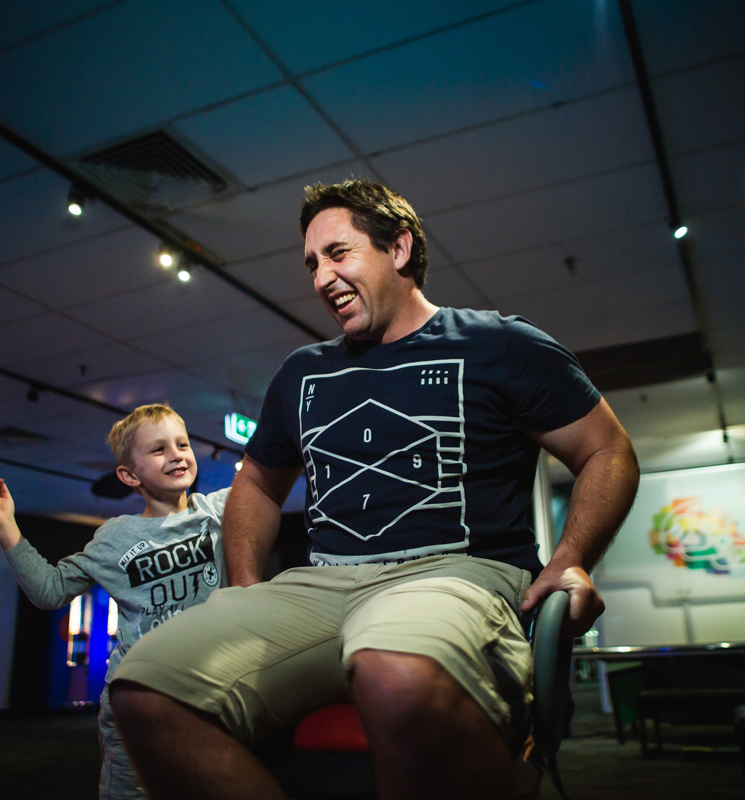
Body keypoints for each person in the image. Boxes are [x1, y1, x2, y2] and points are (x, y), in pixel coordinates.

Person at [110, 179, 639, 800]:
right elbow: (255, 481)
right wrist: (249, 588)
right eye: (311, 264)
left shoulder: (498, 342)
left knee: (395, 668)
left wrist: (570, 559)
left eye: (338, 253)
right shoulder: (303, 371)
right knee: (145, 688)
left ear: (400, 249)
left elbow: (608, 451)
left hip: (454, 576)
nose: (320, 277)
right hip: (321, 585)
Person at [0, 403, 229, 800]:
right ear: (129, 475)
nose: (177, 454)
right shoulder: (114, 538)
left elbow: (270, 476)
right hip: (139, 698)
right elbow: (49, 590)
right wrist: (5, 523)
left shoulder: (217, 510)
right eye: (159, 449)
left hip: (211, 692)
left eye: (182, 444)